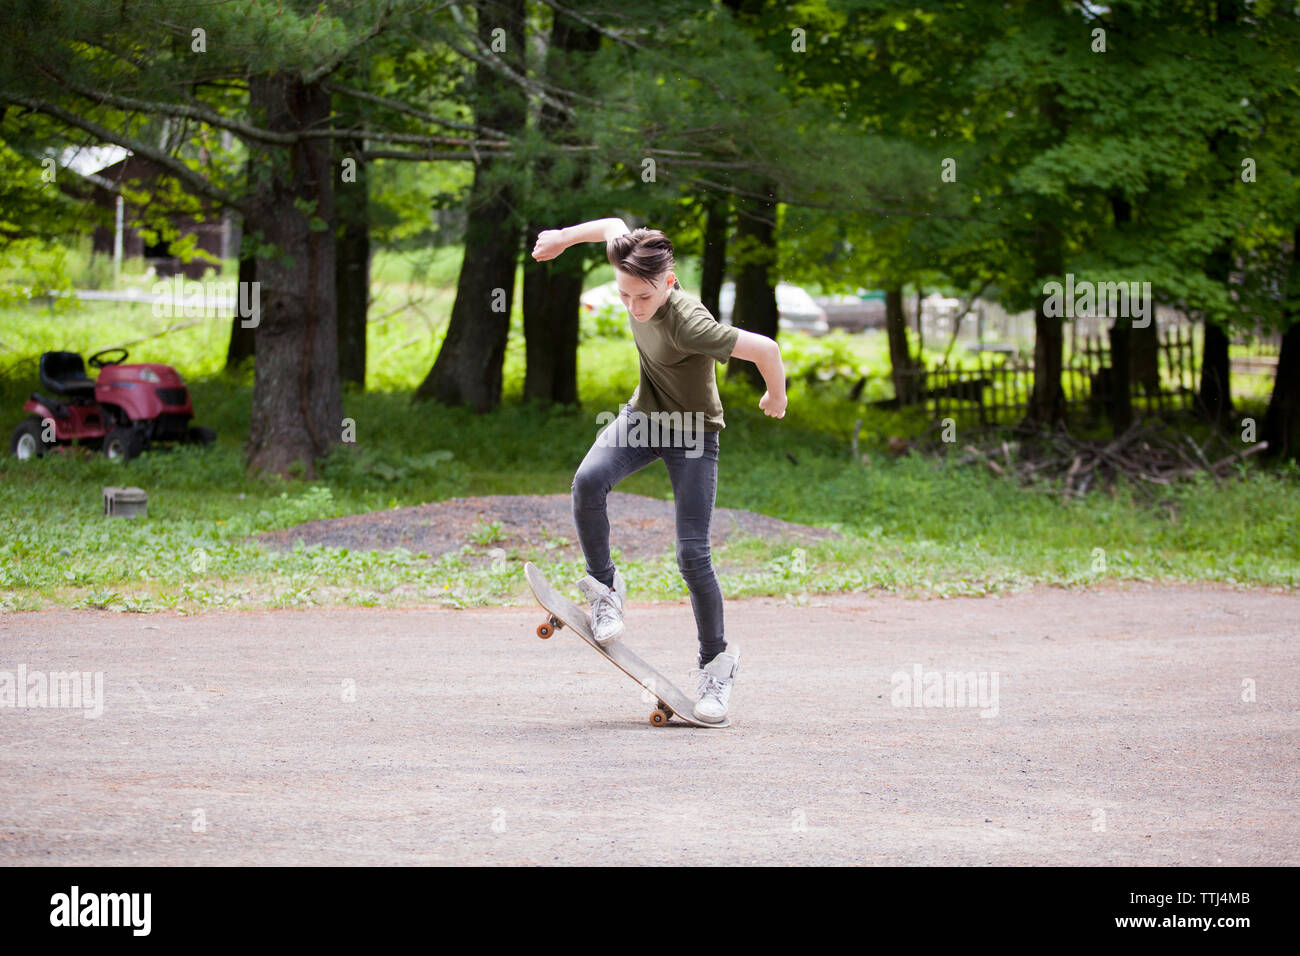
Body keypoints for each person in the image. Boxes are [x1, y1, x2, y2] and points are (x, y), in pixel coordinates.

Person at [530, 218, 787, 723]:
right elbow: (611, 226)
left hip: (693, 433)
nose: (632, 307)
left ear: (668, 284)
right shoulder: (633, 265)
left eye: (641, 299)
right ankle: (605, 589)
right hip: (645, 417)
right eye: (623, 296)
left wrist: (775, 394)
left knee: (692, 555)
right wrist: (561, 238)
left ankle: (715, 666)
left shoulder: (690, 322)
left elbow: (765, 349)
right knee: (587, 482)